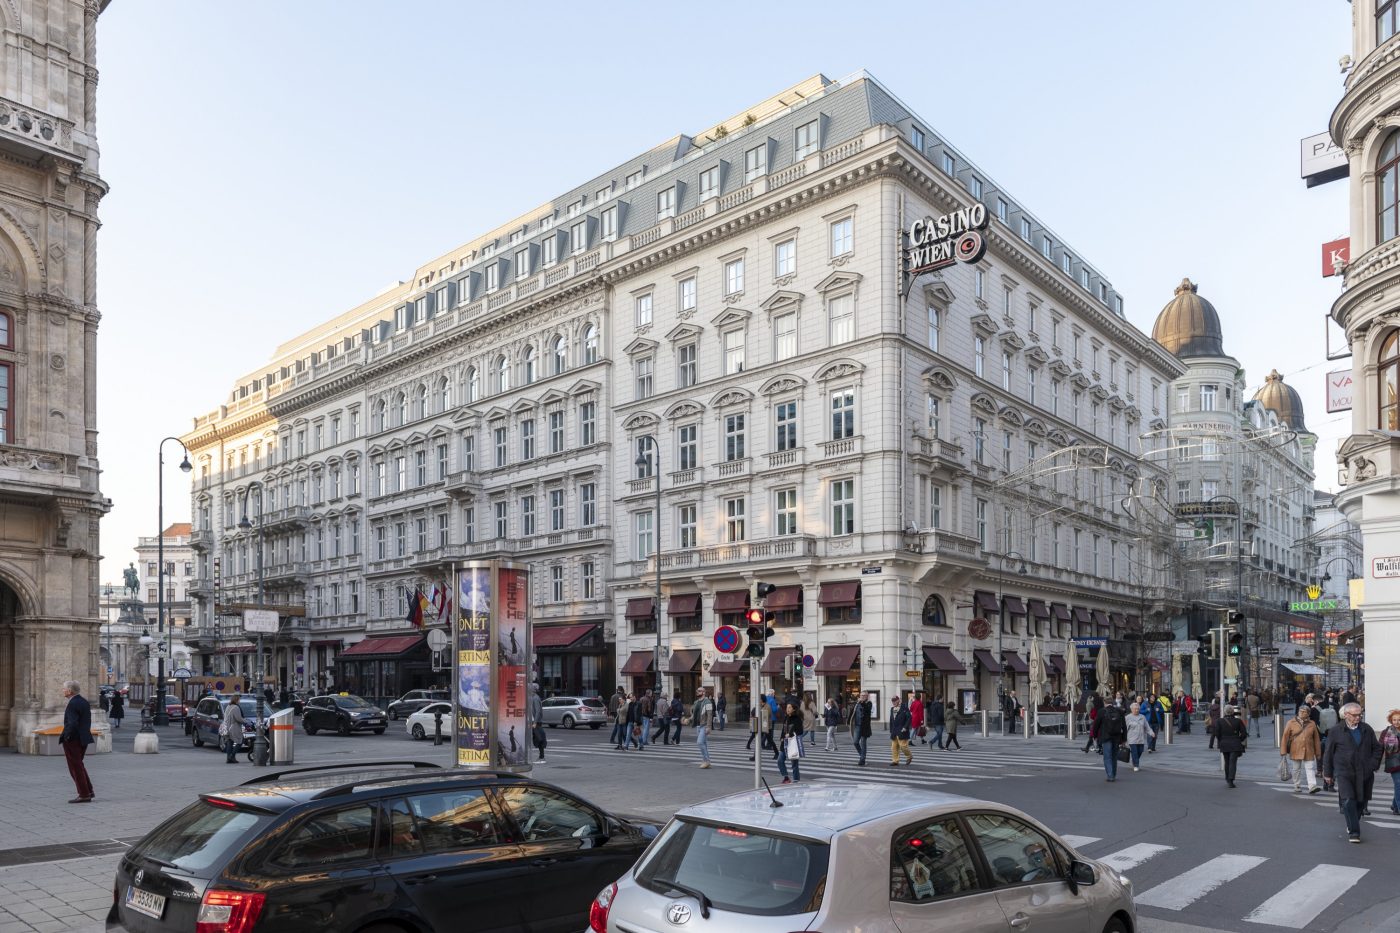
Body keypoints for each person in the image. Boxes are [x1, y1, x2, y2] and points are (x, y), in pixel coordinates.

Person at [1322, 702, 1383, 843]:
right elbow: (1328, 753)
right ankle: (1354, 832)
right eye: (1355, 715)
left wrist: (1373, 765)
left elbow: (1377, 748)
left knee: (1361, 802)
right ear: (1346, 715)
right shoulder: (1336, 731)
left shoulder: (1366, 729)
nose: (1358, 717)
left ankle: (1352, 823)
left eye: (1360, 714)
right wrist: (1328, 773)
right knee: (1349, 800)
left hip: (1365, 771)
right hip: (1344, 771)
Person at [59, 681, 95, 803]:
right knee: (79, 766)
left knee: (75, 768)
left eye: (64, 689)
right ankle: (89, 790)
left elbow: (72, 723)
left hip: (73, 740)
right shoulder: (84, 701)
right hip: (84, 738)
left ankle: (84, 794)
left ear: (70, 691)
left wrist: (67, 736)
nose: (63, 690)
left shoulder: (72, 703)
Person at [1280, 706, 1322, 794]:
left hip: (1309, 749)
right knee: (1296, 769)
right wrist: (1283, 751)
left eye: (1304, 711)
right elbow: (1285, 737)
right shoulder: (1291, 722)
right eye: (1300, 711)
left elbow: (1316, 739)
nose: (1301, 713)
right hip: (1296, 749)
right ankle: (1297, 785)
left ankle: (1312, 786)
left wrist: (1318, 752)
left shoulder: (1312, 723)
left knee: (1310, 768)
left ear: (1308, 713)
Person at [1091, 698, 1126, 782]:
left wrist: (1094, 736)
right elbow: (1124, 726)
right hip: (1117, 737)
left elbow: (1096, 724)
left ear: (1104, 703)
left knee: (1107, 757)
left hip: (1105, 736)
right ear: (1112, 703)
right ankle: (1113, 774)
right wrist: (1124, 738)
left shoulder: (1101, 711)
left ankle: (1110, 776)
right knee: (1114, 756)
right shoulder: (1119, 711)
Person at [1213, 705, 1248, 788]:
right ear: (1233, 712)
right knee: (1233, 762)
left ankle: (1227, 778)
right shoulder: (1238, 721)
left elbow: (1216, 733)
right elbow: (1244, 733)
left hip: (1224, 743)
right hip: (1235, 743)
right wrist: (1239, 739)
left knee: (1227, 761)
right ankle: (1231, 780)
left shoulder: (1219, 721)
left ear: (1225, 712)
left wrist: (1221, 740)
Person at [777, 702, 804, 784]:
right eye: (787, 707)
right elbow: (783, 729)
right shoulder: (786, 717)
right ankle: (786, 777)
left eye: (789, 707)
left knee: (794, 764)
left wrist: (790, 734)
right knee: (780, 760)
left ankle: (796, 780)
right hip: (785, 743)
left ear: (794, 709)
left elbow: (800, 731)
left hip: (793, 743)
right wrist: (782, 737)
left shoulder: (797, 719)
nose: (787, 709)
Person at [1124, 702, 1155, 772]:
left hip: (1140, 738)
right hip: (1131, 739)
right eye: (1135, 709)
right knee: (1134, 752)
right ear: (1131, 709)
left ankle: (1134, 760)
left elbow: (1147, 727)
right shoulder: (1128, 717)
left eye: (1138, 709)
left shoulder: (1142, 717)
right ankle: (1136, 765)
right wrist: (1123, 738)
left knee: (1140, 751)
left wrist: (1151, 733)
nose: (1137, 710)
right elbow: (1124, 729)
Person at [1381, 709, 1400, 815]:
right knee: (1399, 784)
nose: (1397, 722)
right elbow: (1380, 748)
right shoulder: (1386, 732)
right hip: (1394, 763)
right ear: (1391, 720)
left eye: (1399, 720)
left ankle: (1395, 806)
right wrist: (1375, 763)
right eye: (1394, 720)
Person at [692, 688, 714, 769]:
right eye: (697, 691)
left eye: (699, 691)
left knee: (700, 742)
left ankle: (706, 761)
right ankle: (707, 762)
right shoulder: (696, 702)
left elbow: (710, 715)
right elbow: (694, 714)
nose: (697, 692)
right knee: (704, 744)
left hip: (704, 725)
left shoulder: (708, 702)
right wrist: (689, 719)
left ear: (704, 692)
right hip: (698, 726)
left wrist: (708, 726)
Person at [222, 693, 247, 764]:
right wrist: (245, 721)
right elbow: (238, 718)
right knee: (240, 741)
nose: (240, 701)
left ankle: (228, 758)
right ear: (237, 699)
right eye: (239, 699)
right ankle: (232, 756)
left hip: (227, 727)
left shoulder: (228, 706)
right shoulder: (236, 707)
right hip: (234, 727)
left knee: (229, 741)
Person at [889, 695, 913, 767]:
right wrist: (891, 730)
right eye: (892, 701)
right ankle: (895, 761)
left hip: (902, 730)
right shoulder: (892, 709)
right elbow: (891, 720)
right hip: (894, 731)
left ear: (898, 700)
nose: (893, 702)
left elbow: (909, 718)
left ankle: (909, 756)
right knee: (894, 747)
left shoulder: (904, 708)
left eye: (895, 700)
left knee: (903, 746)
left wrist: (905, 727)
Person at [851, 691, 872, 766]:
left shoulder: (869, 703)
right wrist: (848, 721)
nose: (862, 697)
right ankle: (862, 755)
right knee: (855, 742)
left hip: (865, 727)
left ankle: (862, 759)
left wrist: (862, 702)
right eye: (861, 695)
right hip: (857, 726)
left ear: (867, 696)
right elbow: (853, 712)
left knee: (863, 743)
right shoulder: (857, 703)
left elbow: (867, 710)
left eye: (864, 695)